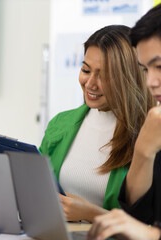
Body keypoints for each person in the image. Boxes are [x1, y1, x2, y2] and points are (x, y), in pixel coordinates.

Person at [39, 25, 155, 223]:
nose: (90, 83)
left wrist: (90, 213)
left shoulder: (149, 134)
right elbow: (37, 188)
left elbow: (147, 225)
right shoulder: (61, 123)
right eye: (86, 70)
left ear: (128, 78)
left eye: (104, 76)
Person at [87, 4, 161, 240]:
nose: (151, 81)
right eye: (145, 70)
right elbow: (139, 215)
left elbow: (144, 229)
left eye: (159, 67)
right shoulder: (156, 123)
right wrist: (144, 152)